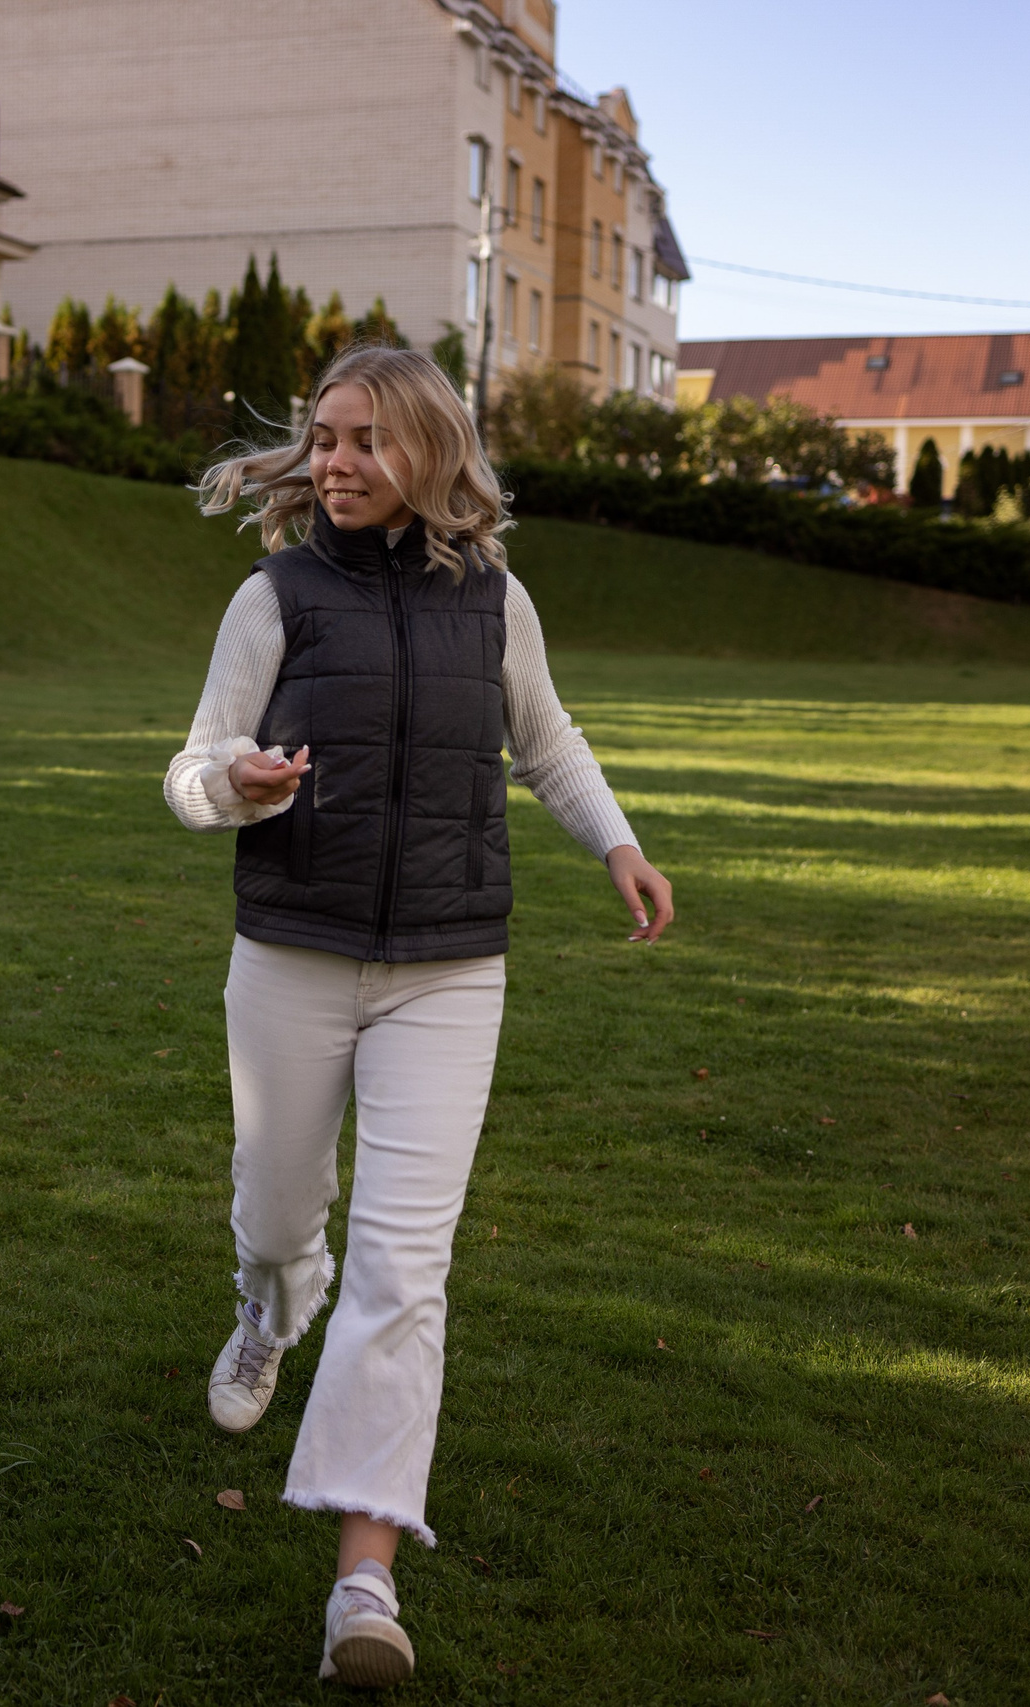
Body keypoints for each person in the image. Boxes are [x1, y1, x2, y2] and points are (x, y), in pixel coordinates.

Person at [163, 344, 673, 1686]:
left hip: (452, 968)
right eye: (324, 438)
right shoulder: (272, 595)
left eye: (365, 441)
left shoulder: (495, 599)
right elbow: (188, 765)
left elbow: (547, 737)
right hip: (295, 953)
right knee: (280, 1217)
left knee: (407, 1270)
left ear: (431, 454)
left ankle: (366, 1584)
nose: (335, 462)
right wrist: (237, 783)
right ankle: (269, 1308)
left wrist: (616, 844)